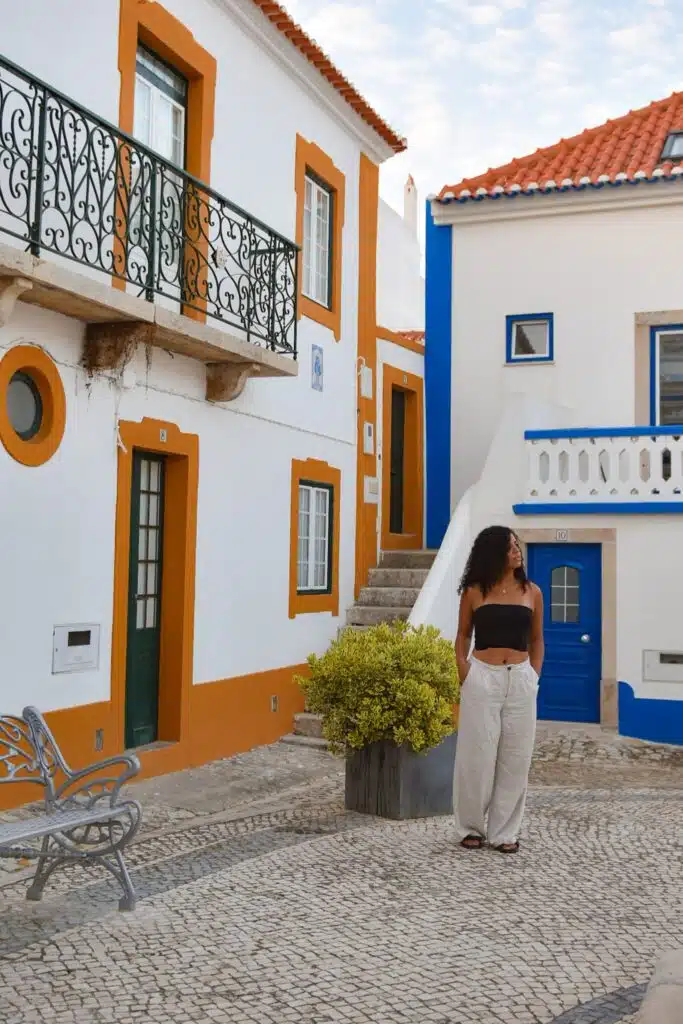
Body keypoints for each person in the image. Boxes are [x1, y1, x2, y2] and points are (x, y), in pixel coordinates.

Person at [453, 525, 544, 854]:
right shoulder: (475, 591)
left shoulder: (532, 591)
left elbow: (536, 639)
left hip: (520, 679)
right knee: (476, 755)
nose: (517, 551)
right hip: (482, 677)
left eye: (517, 545)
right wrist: (464, 670)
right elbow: (462, 634)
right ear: (494, 554)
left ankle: (505, 832)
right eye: (509, 547)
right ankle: (471, 827)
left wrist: (533, 675)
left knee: (515, 758)